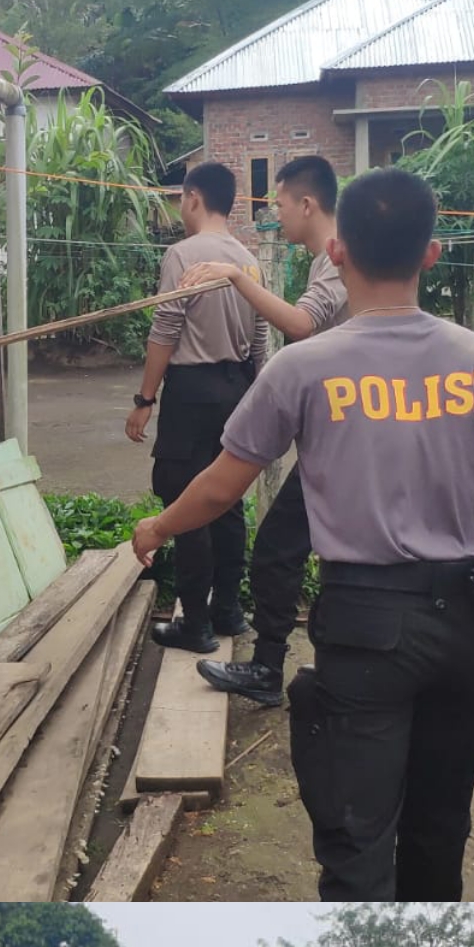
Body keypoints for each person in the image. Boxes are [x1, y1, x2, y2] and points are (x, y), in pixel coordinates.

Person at [130, 166, 474, 902]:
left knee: (357, 841)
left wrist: (157, 527)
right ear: (432, 253)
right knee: (440, 824)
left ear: (338, 251)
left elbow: (222, 486)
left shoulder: (303, 368)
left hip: (365, 632)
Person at [178, 153, 346, 708]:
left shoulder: (337, 256)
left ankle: (272, 670)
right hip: (340, 428)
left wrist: (234, 277)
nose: (273, 213)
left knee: (278, 547)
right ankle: (291, 665)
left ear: (306, 204)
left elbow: (301, 324)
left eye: (277, 202)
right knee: (308, 550)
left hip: (348, 434)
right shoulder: (332, 256)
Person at [124, 161, 266, 654]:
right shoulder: (248, 259)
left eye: (181, 201)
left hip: (192, 390)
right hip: (238, 386)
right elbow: (261, 334)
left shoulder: (183, 254)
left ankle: (196, 625)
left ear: (193, 198)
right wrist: (255, 394)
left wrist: (145, 399)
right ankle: (229, 611)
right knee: (225, 499)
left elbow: (165, 331)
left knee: (186, 499)